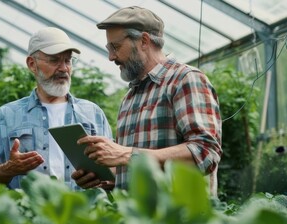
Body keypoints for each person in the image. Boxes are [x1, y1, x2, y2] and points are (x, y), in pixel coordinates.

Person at [72, 6, 222, 195]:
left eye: (115, 47)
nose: (111, 57)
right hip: (135, 221)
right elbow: (135, 164)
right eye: (109, 49)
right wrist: (107, 177)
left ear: (144, 41)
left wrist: (126, 154)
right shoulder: (130, 97)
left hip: (178, 220)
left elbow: (205, 152)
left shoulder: (185, 79)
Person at [0, 27, 113, 190]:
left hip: (81, 213)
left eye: (68, 60)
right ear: (32, 64)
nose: (63, 68)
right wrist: (7, 169)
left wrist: (106, 180)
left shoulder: (93, 113)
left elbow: (113, 170)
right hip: (27, 213)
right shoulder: (6, 115)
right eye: (54, 60)